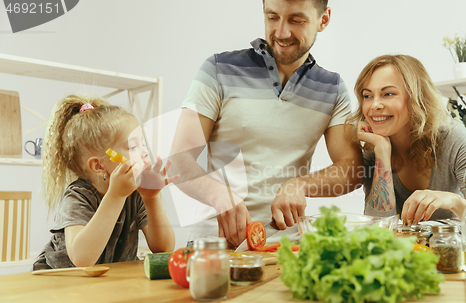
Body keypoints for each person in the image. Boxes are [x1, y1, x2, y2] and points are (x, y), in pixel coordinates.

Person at [170, 0, 363, 247]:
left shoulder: (333, 89)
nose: (281, 33)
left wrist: (301, 185)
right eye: (272, 17)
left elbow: (351, 168)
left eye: (296, 20)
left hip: (286, 249)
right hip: (213, 245)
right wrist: (219, 195)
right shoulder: (218, 69)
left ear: (323, 20)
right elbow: (178, 157)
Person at [349, 54, 466, 226]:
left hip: (451, 249)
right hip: (410, 252)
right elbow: (377, 229)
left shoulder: (454, 139)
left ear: (416, 98)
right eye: (367, 96)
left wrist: (454, 201)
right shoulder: (373, 152)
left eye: (388, 93)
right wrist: (382, 153)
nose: (374, 105)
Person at [33, 94, 177, 270]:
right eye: (133, 147)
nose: (145, 152)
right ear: (99, 165)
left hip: (109, 281)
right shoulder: (77, 196)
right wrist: (116, 196)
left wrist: (152, 199)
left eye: (143, 144)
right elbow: (82, 259)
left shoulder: (137, 192)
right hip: (62, 281)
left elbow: (164, 249)